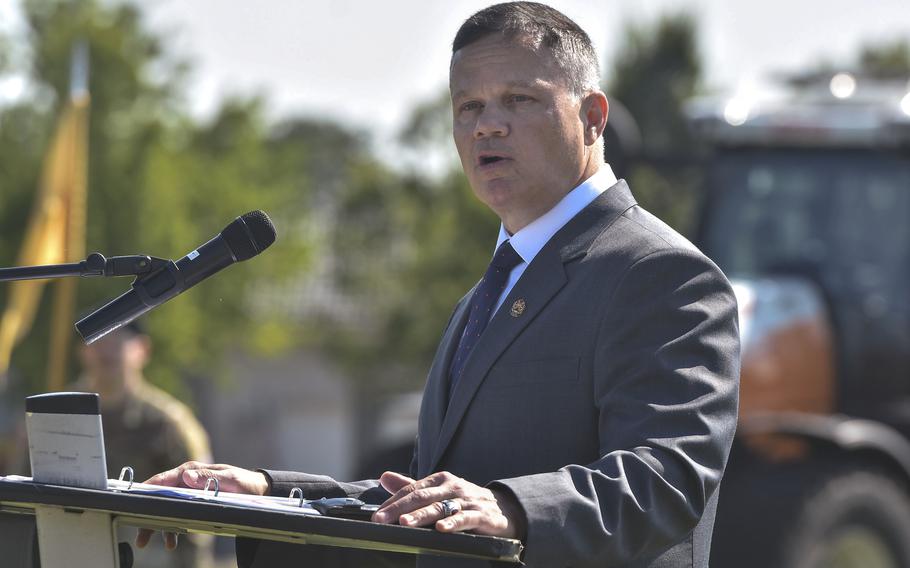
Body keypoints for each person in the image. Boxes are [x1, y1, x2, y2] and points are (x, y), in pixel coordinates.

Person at [138, 3, 740, 567]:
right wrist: (266, 493)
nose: (487, 126)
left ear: (592, 117)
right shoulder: (485, 297)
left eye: (518, 99)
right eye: (468, 107)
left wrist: (511, 509)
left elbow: (665, 480)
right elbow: (434, 496)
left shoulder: (659, 274)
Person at [79, 322, 215, 568]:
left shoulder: (170, 424)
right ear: (84, 351)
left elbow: (197, 520)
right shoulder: (61, 417)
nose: (106, 350)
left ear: (142, 350)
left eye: (117, 340)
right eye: (98, 340)